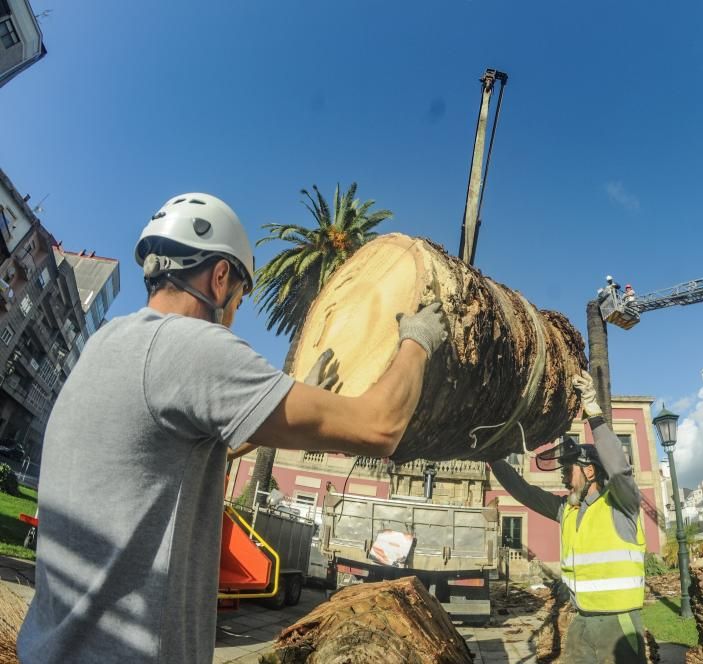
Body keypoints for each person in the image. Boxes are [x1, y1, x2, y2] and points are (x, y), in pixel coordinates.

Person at [17, 193, 448, 664]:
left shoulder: (106, 344)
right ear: (220, 277)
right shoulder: (193, 347)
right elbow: (380, 427)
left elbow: (179, 453)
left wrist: (297, 395)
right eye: (239, 299)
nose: (235, 314)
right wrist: (417, 342)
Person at [489, 372, 647, 663]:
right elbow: (523, 491)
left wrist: (594, 413)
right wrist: (491, 454)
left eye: (568, 469)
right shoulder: (568, 510)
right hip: (582, 621)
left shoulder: (621, 505)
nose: (562, 477)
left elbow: (619, 470)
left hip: (619, 626)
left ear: (589, 471)